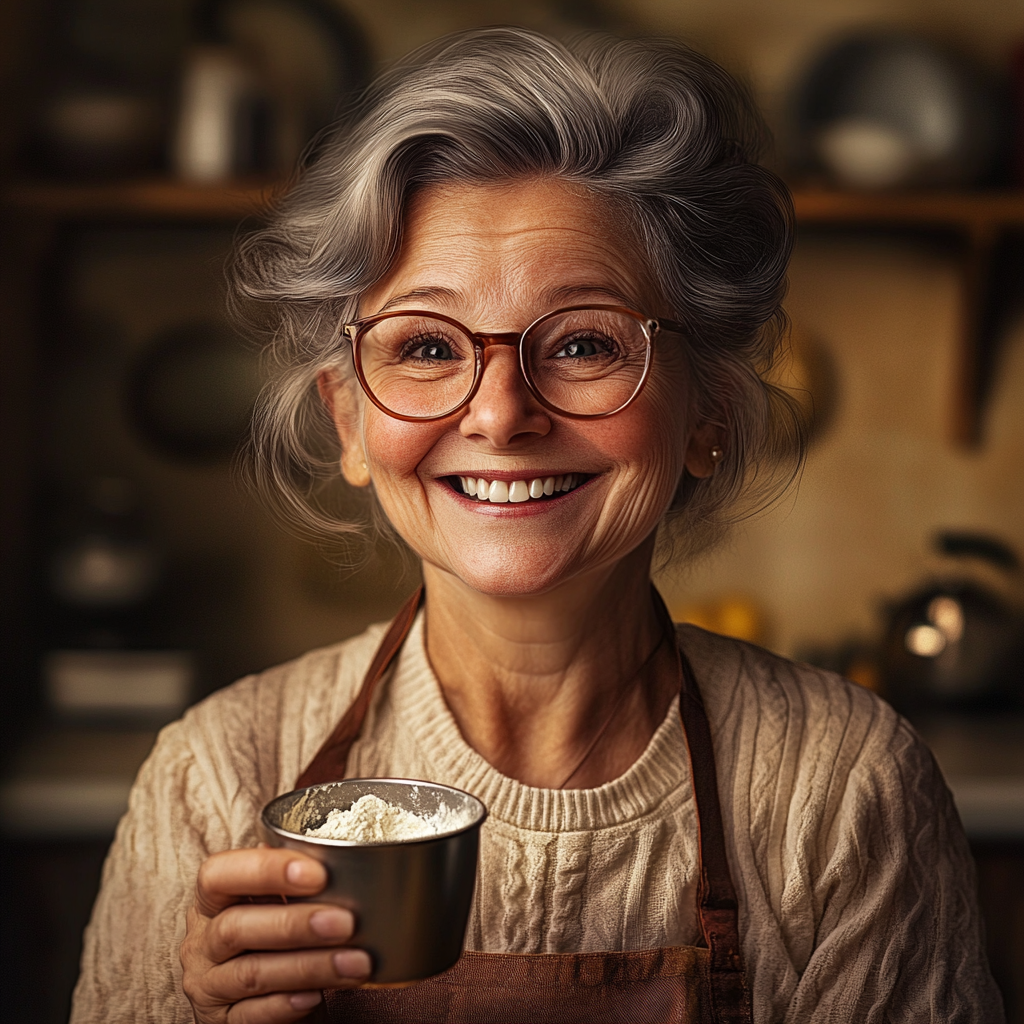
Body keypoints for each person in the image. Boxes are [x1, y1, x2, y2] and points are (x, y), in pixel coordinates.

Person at [71, 27, 1003, 1024]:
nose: (499, 413)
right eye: (426, 344)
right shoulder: (215, 776)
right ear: (349, 419)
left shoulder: (843, 789)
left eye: (586, 341)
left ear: (709, 413)